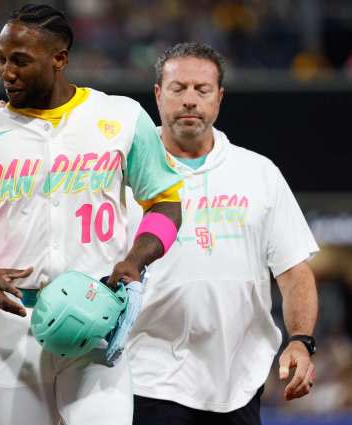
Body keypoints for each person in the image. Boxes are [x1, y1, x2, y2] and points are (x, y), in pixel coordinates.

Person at [0, 4, 183, 425]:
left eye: (20, 60)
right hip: (13, 326)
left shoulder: (120, 117)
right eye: (1, 58)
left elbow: (165, 202)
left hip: (96, 319)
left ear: (60, 59)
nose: (6, 71)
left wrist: (135, 260)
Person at [127, 42, 319, 425]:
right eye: (178, 88)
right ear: (157, 95)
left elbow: (293, 270)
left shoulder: (258, 173)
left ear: (219, 97)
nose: (190, 100)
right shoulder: (122, 172)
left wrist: (301, 340)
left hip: (239, 382)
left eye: (202, 90)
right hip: (145, 377)